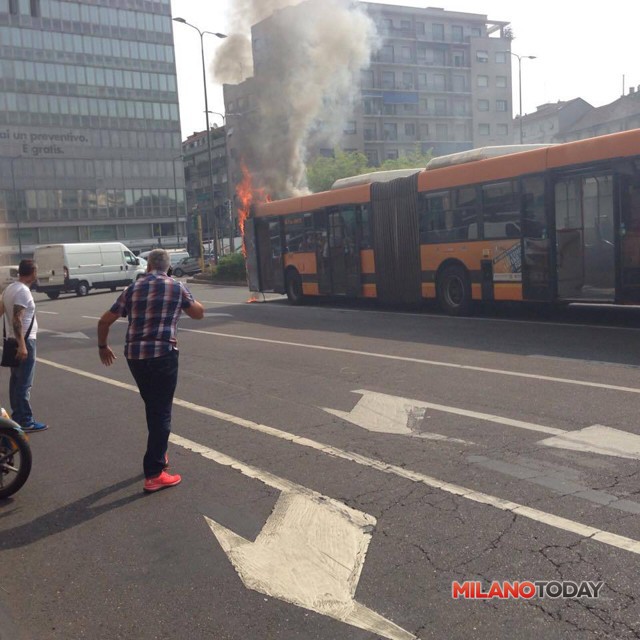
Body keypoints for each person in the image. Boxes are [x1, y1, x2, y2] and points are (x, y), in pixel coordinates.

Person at [97, 249, 204, 493]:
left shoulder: (132, 289)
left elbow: (104, 321)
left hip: (135, 356)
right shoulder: (176, 287)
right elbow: (198, 313)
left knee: (153, 406)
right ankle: (155, 473)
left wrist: (103, 346)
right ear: (167, 267)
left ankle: (160, 454)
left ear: (147, 267)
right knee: (162, 411)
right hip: (162, 355)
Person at [0, 259, 47, 432]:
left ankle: (17, 418)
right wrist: (22, 345)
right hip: (24, 341)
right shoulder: (23, 292)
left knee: (16, 381)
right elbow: (17, 319)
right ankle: (25, 420)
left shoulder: (9, 289)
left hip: (13, 340)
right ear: (33, 272)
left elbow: (1, 312)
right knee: (24, 383)